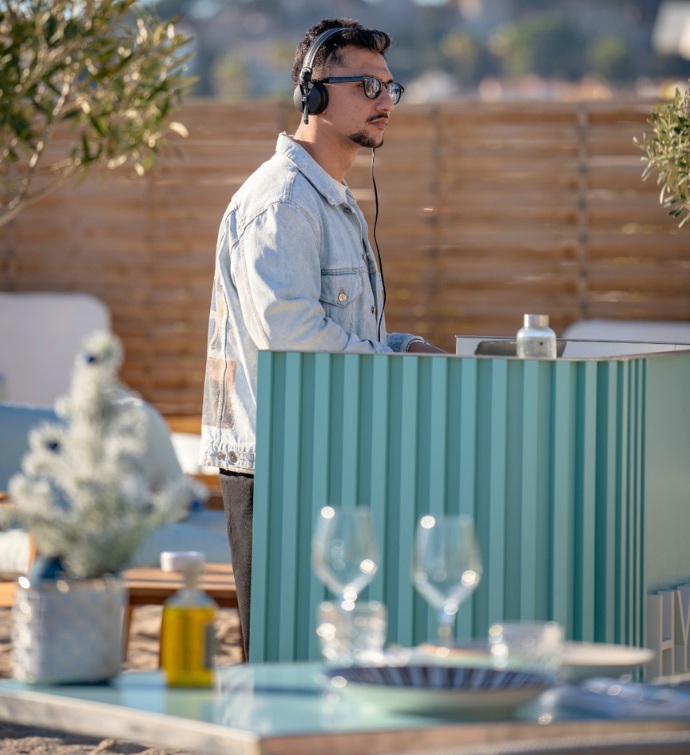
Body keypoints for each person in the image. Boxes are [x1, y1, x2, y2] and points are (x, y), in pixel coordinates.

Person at [199, 17, 444, 658]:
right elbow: (293, 335)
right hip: (281, 468)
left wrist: (400, 347)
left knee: (329, 657)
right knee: (282, 660)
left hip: (325, 457)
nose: (385, 101)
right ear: (313, 93)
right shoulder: (282, 204)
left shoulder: (330, 199)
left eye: (392, 88)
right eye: (367, 85)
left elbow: (339, 333)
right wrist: (387, 366)